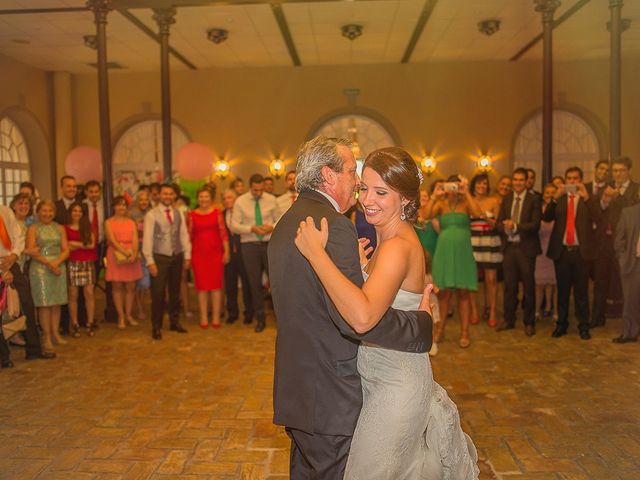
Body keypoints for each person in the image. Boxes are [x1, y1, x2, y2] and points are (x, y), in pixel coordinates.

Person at [268, 137, 435, 478]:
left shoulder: (290, 221)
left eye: (379, 191)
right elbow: (354, 318)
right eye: (360, 184)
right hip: (332, 394)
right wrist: (420, 327)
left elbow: (352, 312)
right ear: (329, 176)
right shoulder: (334, 227)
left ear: (404, 198)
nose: (365, 197)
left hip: (310, 388)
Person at [543, 167, 601, 340]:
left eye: (576, 178)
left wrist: (587, 198)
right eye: (569, 178)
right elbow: (546, 218)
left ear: (581, 180)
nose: (572, 181)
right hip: (562, 252)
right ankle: (562, 324)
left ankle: (584, 326)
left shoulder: (587, 199)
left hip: (581, 252)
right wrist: (554, 198)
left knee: (581, 292)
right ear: (565, 181)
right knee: (562, 291)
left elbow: (600, 219)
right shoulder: (559, 200)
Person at [428, 174, 483, 348]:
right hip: (444, 252)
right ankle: (440, 330)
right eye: (449, 185)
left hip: (462, 253)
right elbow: (427, 214)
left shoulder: (465, 203)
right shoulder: (441, 204)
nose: (452, 189)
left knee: (463, 293)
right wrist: (434, 195)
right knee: (443, 294)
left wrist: (466, 192)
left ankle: (465, 332)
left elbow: (478, 213)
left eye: (455, 185)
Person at [8, 194, 56, 360]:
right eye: (20, 203)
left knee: (27, 307)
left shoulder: (28, 225)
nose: (23, 206)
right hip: (10, 268)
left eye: (26, 203)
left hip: (23, 270)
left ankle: (33, 348)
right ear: (13, 205)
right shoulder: (8, 221)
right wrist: (27, 251)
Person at [495, 168, 542, 336]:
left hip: (526, 249)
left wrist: (515, 226)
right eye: (515, 179)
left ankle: (529, 322)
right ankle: (509, 319)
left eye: (521, 180)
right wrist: (505, 226)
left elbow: (535, 224)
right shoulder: (507, 199)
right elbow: (498, 223)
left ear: (526, 181)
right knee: (509, 286)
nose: (517, 182)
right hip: (509, 248)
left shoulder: (534, 199)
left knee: (528, 287)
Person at [142, 184, 191, 340]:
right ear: (160, 196)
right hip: (159, 257)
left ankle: (174, 321)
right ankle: (156, 326)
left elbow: (184, 235)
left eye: (170, 194)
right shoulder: (151, 214)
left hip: (176, 256)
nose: (168, 196)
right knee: (157, 293)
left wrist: (187, 255)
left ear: (174, 196)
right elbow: (147, 239)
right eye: (165, 194)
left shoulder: (178, 213)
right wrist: (150, 261)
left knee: (175, 292)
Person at [230, 174, 277, 333]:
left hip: (269, 244)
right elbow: (234, 225)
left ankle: (280, 318)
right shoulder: (240, 201)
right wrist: (251, 228)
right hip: (249, 245)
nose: (258, 192)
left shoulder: (271, 199)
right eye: (255, 190)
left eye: (261, 190)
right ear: (250, 187)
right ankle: (260, 318)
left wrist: (271, 226)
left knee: (275, 281)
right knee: (254, 283)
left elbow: (280, 219)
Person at [598, 156, 639, 321]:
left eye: (622, 170)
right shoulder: (606, 188)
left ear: (629, 171)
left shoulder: (636, 189)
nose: (618, 174)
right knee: (608, 279)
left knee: (630, 282)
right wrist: (604, 201)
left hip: (629, 243)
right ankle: (609, 312)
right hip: (607, 242)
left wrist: (618, 198)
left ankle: (632, 319)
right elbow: (599, 213)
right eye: (615, 170)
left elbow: (633, 214)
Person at [27, 200, 69, 351]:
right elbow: (31, 250)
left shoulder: (60, 228)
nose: (47, 214)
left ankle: (55, 333)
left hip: (58, 266)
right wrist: (50, 264)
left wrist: (57, 262)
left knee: (56, 303)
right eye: (44, 211)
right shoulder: (33, 228)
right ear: (38, 212)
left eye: (50, 211)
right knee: (45, 304)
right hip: (40, 269)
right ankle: (46, 336)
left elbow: (66, 249)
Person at [189, 186, 230, 329]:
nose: (203, 199)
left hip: (215, 254)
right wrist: (188, 256)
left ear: (210, 198)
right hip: (198, 254)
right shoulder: (192, 214)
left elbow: (223, 233)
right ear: (197, 199)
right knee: (201, 287)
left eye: (206, 196)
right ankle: (203, 317)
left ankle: (216, 317)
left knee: (216, 287)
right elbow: (189, 236)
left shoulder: (217, 213)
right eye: (201, 197)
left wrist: (226, 252)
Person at [468, 173, 502, 327]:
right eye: (479, 183)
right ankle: (474, 311)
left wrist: (485, 216)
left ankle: (493, 311)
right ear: (473, 185)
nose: (482, 186)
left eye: (485, 184)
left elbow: (497, 224)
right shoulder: (468, 200)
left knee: (491, 279)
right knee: (472, 279)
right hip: (471, 241)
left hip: (490, 240)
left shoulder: (494, 201)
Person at [105, 196, 142, 329]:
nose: (121, 208)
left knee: (131, 286)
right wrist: (125, 252)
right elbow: (112, 240)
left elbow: (135, 239)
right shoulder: (108, 222)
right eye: (119, 205)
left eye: (124, 205)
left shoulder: (131, 222)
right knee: (117, 286)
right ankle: (120, 316)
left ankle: (129, 314)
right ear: (114, 207)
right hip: (115, 255)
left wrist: (133, 252)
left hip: (131, 255)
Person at [64, 202, 97, 337]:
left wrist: (74, 244)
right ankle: (75, 323)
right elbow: (65, 246)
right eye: (74, 210)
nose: (77, 213)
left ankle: (90, 322)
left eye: (80, 211)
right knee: (73, 295)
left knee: (89, 294)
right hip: (73, 263)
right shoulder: (64, 228)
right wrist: (82, 244)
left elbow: (92, 245)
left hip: (88, 263)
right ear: (70, 212)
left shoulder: (88, 227)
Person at [222, 189, 253, 325]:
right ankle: (232, 312)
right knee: (230, 284)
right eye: (225, 198)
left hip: (243, 252)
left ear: (236, 199)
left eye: (230, 198)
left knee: (246, 284)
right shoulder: (221, 215)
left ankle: (249, 312)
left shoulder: (244, 213)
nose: (227, 200)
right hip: (228, 254)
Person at [613, 200, 640, 343]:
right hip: (633, 263)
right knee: (630, 300)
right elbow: (619, 239)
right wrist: (622, 259)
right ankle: (629, 333)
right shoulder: (628, 213)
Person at [535, 184, 558, 323]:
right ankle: (537, 311)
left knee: (556, 284)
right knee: (539, 284)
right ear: (543, 195)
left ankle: (555, 311)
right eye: (547, 192)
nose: (549, 195)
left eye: (552, 192)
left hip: (555, 250)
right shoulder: (537, 210)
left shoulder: (559, 210)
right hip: (540, 250)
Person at [129, 189, 152, 320]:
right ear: (137, 201)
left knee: (145, 282)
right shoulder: (131, 214)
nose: (143, 202)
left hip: (149, 251)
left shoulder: (152, 212)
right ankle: (138, 307)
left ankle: (140, 306)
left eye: (146, 200)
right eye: (141, 200)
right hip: (137, 250)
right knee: (138, 281)